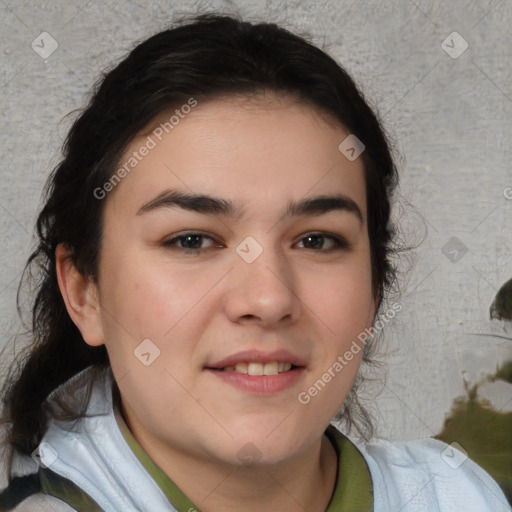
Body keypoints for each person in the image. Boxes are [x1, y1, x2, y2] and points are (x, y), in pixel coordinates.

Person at [0, 13, 509, 512]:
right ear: (84, 292)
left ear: (374, 288)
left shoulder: (456, 494)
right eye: (192, 240)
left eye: (316, 240)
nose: (268, 299)